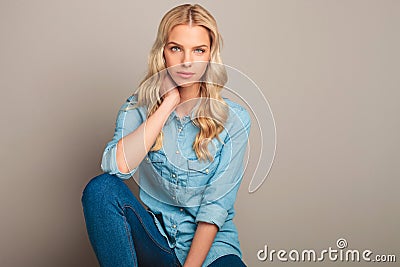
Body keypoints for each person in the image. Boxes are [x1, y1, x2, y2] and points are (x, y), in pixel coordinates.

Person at [81, 3, 251, 267]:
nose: (186, 62)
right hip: (156, 241)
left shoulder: (235, 119)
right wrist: (168, 103)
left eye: (198, 50)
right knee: (100, 190)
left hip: (210, 253)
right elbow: (117, 167)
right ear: (163, 52)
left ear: (210, 55)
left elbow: (214, 210)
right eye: (176, 48)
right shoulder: (136, 107)